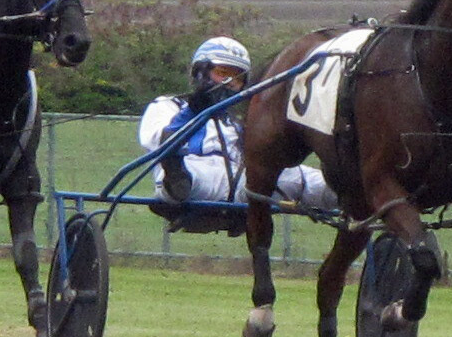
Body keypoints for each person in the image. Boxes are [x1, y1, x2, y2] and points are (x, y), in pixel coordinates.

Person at [141, 35, 332, 219]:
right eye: (223, 73)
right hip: (194, 172)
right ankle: (176, 182)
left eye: (237, 78)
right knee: (182, 167)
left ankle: (350, 193)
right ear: (200, 72)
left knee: (298, 177)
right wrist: (193, 111)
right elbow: (158, 142)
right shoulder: (168, 105)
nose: (230, 83)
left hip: (242, 181)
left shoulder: (242, 118)